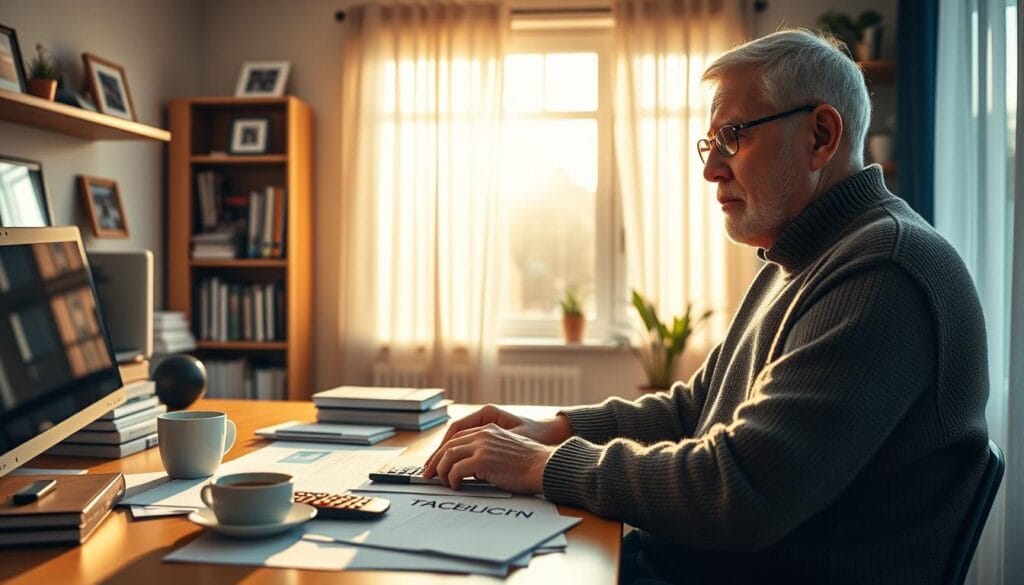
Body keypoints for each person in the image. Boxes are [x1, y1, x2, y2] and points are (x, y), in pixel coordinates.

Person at [422, 29, 990, 585]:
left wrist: (541, 466)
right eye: (710, 143)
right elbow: (695, 410)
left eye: (734, 136)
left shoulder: (882, 272)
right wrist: (552, 429)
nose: (711, 169)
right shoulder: (802, 259)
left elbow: (740, 490)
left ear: (821, 135)